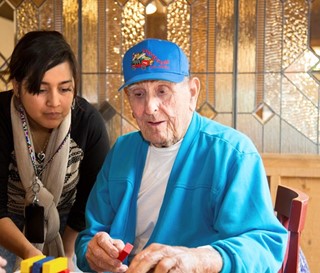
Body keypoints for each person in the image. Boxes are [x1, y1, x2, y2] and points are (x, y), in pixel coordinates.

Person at [75, 38, 288, 273]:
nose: (150, 108)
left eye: (162, 91)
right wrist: (92, 252)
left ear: (192, 92)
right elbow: (89, 237)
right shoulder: (121, 151)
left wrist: (201, 260)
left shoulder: (232, 154)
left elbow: (264, 244)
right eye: (138, 94)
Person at [0, 30, 110, 272]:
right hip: (5, 226)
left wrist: (68, 254)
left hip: (68, 225)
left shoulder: (88, 123)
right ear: (17, 87)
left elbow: (88, 202)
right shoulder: (0, 117)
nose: (54, 102)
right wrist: (31, 254)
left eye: (64, 89)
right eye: (40, 89)